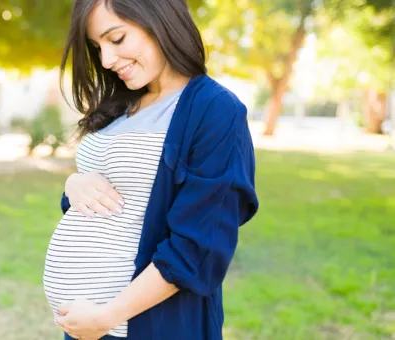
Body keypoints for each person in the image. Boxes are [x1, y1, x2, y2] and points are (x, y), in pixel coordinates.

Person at [41, 0, 260, 339]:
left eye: (116, 39)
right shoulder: (121, 103)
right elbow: (117, 200)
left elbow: (198, 247)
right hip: (89, 325)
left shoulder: (215, 110)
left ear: (159, 20)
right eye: (97, 47)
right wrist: (73, 185)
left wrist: (106, 315)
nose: (106, 60)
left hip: (147, 327)